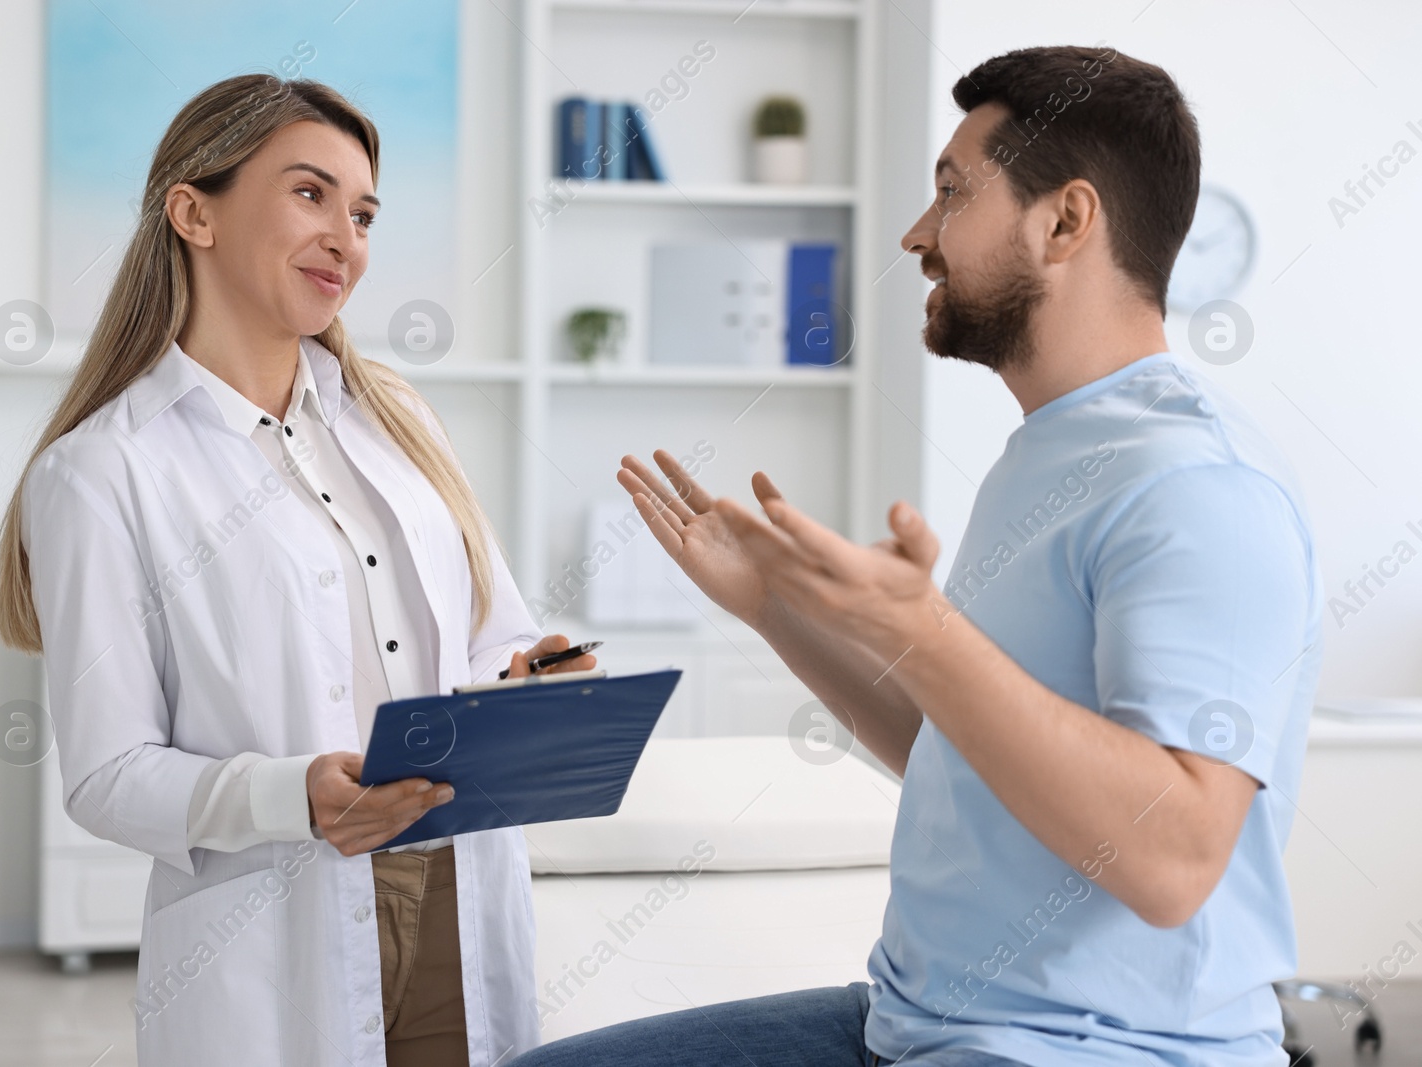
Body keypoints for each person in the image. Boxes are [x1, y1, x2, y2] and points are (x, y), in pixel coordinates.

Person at [511, 44, 1321, 1067]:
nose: (916, 236)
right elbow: (963, 749)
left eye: (950, 195)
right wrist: (774, 605)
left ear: (1064, 221)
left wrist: (927, 632)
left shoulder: (1198, 486)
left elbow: (1171, 861)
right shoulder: (1054, 448)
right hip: (910, 1023)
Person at [0, 75, 594, 1067]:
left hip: (461, 888)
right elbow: (106, 775)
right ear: (194, 212)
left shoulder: (400, 422)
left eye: (362, 213)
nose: (346, 239)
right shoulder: (103, 470)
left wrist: (532, 673)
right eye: (310, 194)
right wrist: (291, 794)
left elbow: (493, 636)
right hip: (275, 930)